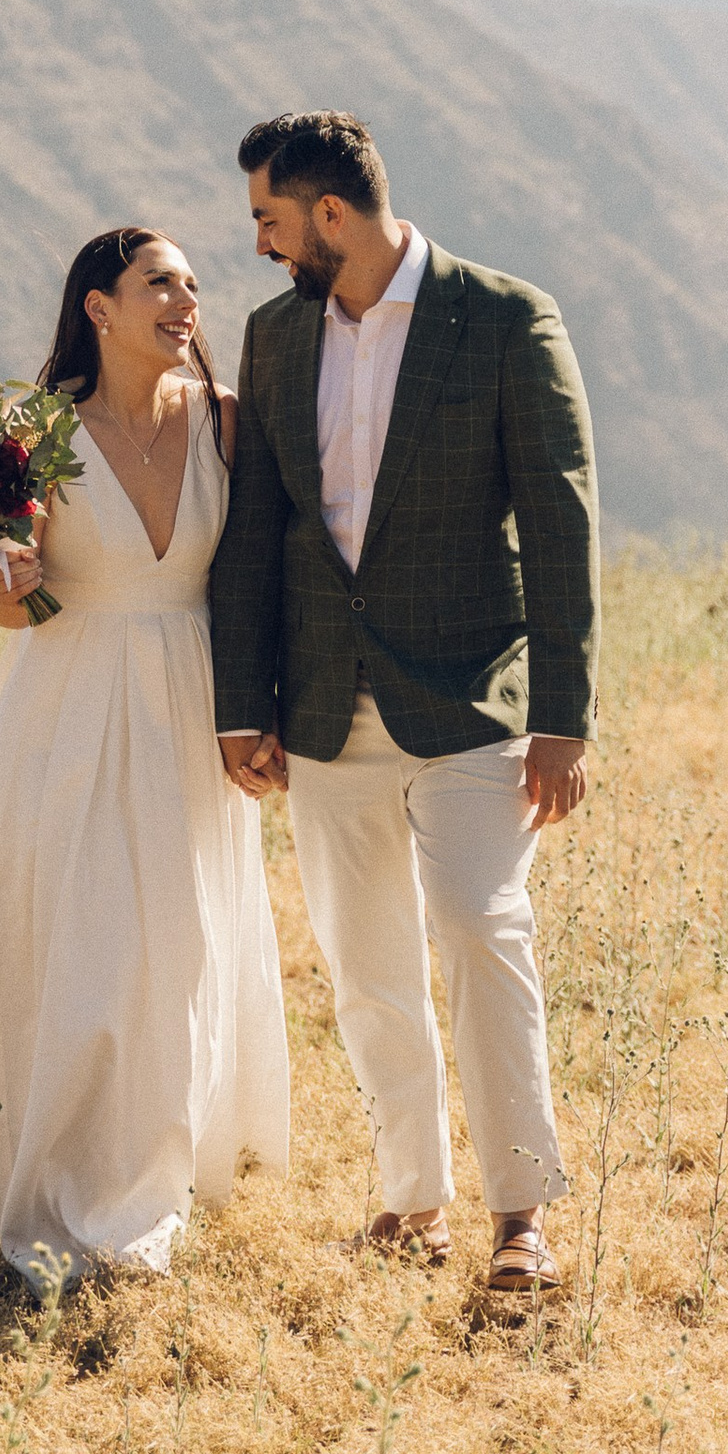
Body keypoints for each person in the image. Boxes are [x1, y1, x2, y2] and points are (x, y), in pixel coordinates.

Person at [209, 112, 598, 1295]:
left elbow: (561, 518)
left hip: (472, 700)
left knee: (483, 930)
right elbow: (256, 526)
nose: (262, 246)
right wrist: (242, 701)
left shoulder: (505, 317)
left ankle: (520, 1216)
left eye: (271, 221)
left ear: (330, 214)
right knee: (365, 965)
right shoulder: (275, 335)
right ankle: (410, 1201)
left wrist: (565, 718)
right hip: (324, 705)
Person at [0, 225, 291, 1281]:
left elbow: (260, 573)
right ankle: (57, 1186)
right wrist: (6, 580)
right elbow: (11, 606)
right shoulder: (32, 434)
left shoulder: (227, 421)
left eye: (192, 284)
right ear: (98, 307)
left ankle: (145, 1192)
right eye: (159, 284)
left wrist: (262, 708)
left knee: (172, 950)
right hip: (67, 707)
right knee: (83, 945)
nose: (186, 301)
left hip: (191, 703)